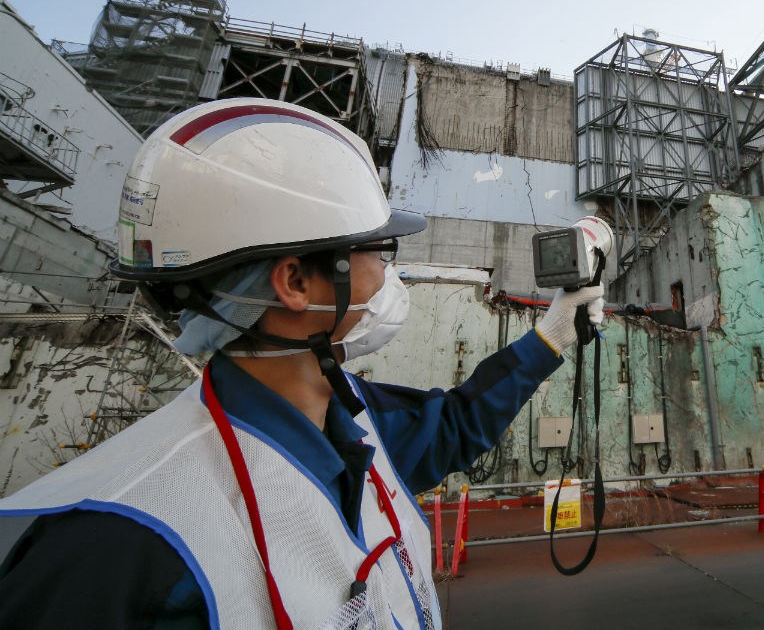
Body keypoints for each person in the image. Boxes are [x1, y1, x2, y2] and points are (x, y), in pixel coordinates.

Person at [0, 98, 603, 629]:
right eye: (378, 249)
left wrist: (551, 334)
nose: (388, 273)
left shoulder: (354, 419)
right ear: (295, 282)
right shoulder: (116, 546)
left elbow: (455, 425)